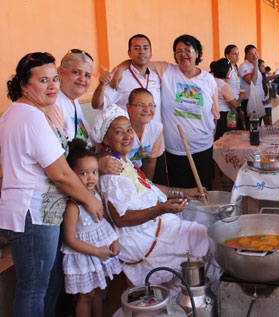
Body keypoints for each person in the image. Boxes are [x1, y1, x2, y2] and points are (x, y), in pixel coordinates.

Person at [0, 52, 103, 317]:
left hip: (35, 213)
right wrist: (90, 199)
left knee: (41, 284)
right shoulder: (30, 117)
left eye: (55, 79)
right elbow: (60, 174)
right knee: (33, 289)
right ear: (24, 85)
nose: (52, 85)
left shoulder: (24, 112)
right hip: (33, 215)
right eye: (43, 80)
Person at [91, 104, 218, 295]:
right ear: (106, 139)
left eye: (128, 130)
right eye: (119, 132)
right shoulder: (112, 171)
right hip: (139, 238)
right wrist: (160, 210)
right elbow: (121, 219)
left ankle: (185, 294)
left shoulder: (122, 161)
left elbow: (148, 186)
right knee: (207, 236)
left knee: (206, 224)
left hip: (152, 225)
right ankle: (195, 296)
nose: (127, 136)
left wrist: (183, 192)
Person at [111, 34, 219, 190]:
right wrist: (120, 68)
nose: (183, 54)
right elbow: (139, 60)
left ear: (197, 53)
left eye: (188, 50)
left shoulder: (208, 80)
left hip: (203, 147)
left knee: (204, 189)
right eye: (178, 51)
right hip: (175, 150)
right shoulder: (166, 70)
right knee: (180, 192)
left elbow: (215, 115)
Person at [92, 34, 167, 186]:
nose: (141, 51)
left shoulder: (156, 75)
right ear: (129, 53)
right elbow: (97, 104)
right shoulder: (119, 77)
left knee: (152, 184)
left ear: (151, 53)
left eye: (145, 48)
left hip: (151, 141)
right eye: (136, 48)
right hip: (125, 143)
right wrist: (101, 84)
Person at [61, 139, 122, 317]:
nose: (91, 177)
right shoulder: (73, 205)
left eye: (94, 172)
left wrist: (114, 240)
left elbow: (104, 222)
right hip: (84, 257)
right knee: (86, 296)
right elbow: (70, 239)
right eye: (83, 173)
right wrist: (96, 251)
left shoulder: (95, 196)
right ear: (71, 174)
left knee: (98, 293)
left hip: (99, 253)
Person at [47, 49, 94, 143]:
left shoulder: (74, 101)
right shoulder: (53, 102)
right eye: (76, 72)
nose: (82, 79)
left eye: (87, 75)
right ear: (60, 72)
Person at [126, 88, 164, 180]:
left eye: (151, 105)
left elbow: (150, 161)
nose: (147, 110)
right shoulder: (121, 129)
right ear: (128, 107)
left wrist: (147, 187)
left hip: (138, 173)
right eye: (140, 105)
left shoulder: (156, 128)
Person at [214, 58, 245, 139]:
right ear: (226, 71)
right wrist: (241, 97)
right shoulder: (224, 85)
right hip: (224, 116)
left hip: (214, 114)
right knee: (225, 140)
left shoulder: (212, 81)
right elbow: (235, 104)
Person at [239, 44, 265, 129]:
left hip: (259, 98)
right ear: (246, 55)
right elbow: (252, 82)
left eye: (255, 53)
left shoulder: (255, 66)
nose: (254, 55)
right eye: (251, 53)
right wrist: (256, 65)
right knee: (251, 126)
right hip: (250, 99)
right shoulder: (244, 66)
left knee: (258, 125)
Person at [224, 44, 245, 126]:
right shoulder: (227, 69)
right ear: (227, 56)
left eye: (238, 54)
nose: (237, 56)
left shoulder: (235, 68)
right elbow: (225, 88)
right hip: (230, 106)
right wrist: (233, 107)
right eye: (234, 54)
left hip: (237, 102)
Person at [259, 59, 273, 125]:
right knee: (257, 125)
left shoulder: (266, 76)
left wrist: (269, 99)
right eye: (262, 66)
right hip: (258, 104)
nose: (264, 68)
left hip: (266, 104)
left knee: (269, 125)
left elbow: (270, 88)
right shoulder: (256, 78)